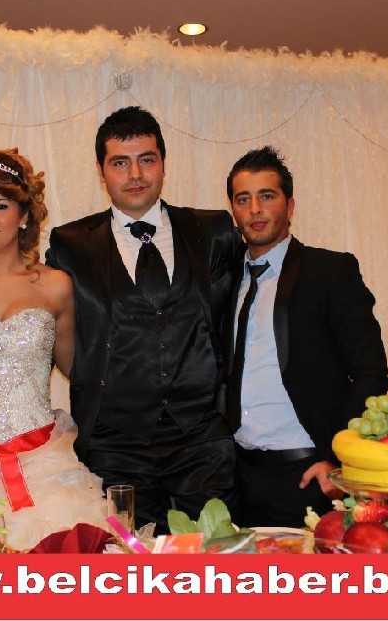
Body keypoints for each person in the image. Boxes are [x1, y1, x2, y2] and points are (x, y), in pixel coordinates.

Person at [46, 106, 244, 533]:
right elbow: (40, 318)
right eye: (120, 162)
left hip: (203, 438)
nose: (135, 174)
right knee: (129, 561)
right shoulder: (70, 245)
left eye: (146, 159)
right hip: (115, 444)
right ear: (101, 172)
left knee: (212, 557)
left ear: (163, 165)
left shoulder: (213, 231)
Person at [0, 150, 107, 551]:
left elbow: (79, 370)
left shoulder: (56, 285)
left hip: (42, 463)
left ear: (24, 214)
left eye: (0, 206)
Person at [225, 146, 388, 529]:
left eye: (267, 196)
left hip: (309, 477)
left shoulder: (330, 272)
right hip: (237, 480)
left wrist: (337, 459)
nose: (255, 209)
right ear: (233, 210)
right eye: (243, 199)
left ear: (290, 206)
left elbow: (371, 374)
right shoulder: (225, 280)